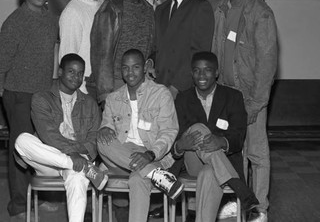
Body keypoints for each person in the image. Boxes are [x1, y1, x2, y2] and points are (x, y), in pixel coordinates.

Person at [0, 0, 59, 220]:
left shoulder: (50, 19)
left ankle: (43, 195)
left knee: (45, 147)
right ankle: (18, 204)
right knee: (20, 149)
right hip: (19, 94)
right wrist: (4, 89)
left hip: (42, 93)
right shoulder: (16, 21)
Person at [212, 0, 278, 222]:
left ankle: (259, 209)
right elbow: (217, 49)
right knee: (233, 152)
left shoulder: (260, 14)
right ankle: (238, 204)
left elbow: (268, 64)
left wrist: (255, 103)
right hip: (226, 94)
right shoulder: (221, 8)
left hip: (250, 96)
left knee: (257, 153)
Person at [15, 53, 107, 222]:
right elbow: (47, 134)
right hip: (48, 160)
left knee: (78, 178)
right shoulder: (41, 98)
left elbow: (94, 138)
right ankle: (84, 166)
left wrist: (77, 155)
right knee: (22, 140)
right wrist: (71, 155)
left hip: (79, 158)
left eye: (80, 73)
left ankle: (80, 166)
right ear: (60, 72)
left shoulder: (90, 103)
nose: (76, 77)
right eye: (71, 71)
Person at [170, 51, 259, 222]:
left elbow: (238, 136)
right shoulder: (182, 99)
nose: (201, 75)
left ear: (217, 72)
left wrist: (221, 142)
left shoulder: (233, 97)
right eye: (196, 70)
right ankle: (239, 186)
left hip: (222, 161)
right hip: (192, 160)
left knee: (209, 172)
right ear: (191, 73)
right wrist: (181, 145)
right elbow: (172, 138)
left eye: (207, 70)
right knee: (197, 128)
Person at [97, 49, 184, 222]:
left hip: (152, 155)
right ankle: (156, 175)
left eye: (135, 67)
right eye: (125, 68)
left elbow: (169, 132)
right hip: (119, 158)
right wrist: (104, 128)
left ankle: (150, 171)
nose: (130, 73)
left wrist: (150, 154)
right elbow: (107, 127)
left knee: (138, 179)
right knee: (102, 140)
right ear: (121, 70)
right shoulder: (113, 98)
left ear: (145, 67)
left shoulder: (161, 94)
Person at [90, 0, 155, 104]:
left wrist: (150, 62)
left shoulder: (148, 10)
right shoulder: (110, 9)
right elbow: (100, 55)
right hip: (116, 83)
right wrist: (105, 93)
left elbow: (151, 47)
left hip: (142, 83)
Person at [149, 0, 214, 99]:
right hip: (158, 86)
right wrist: (150, 62)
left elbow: (200, 53)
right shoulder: (161, 9)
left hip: (184, 88)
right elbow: (156, 48)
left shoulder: (200, 7)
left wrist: (177, 86)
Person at [59, 0, 104, 97]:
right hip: (84, 85)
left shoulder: (104, 5)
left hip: (103, 82)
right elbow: (67, 55)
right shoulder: (73, 10)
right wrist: (80, 91)